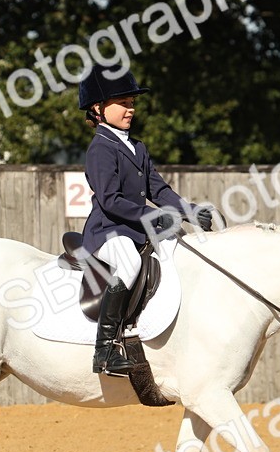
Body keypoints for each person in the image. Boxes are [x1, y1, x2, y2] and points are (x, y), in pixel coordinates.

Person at [77, 63, 214, 376]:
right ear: (98, 108)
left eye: (132, 103)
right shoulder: (100, 148)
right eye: (123, 103)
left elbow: (159, 189)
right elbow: (111, 201)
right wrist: (154, 216)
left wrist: (188, 211)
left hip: (136, 228)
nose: (130, 109)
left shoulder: (137, 147)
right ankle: (106, 348)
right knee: (129, 264)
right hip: (109, 232)